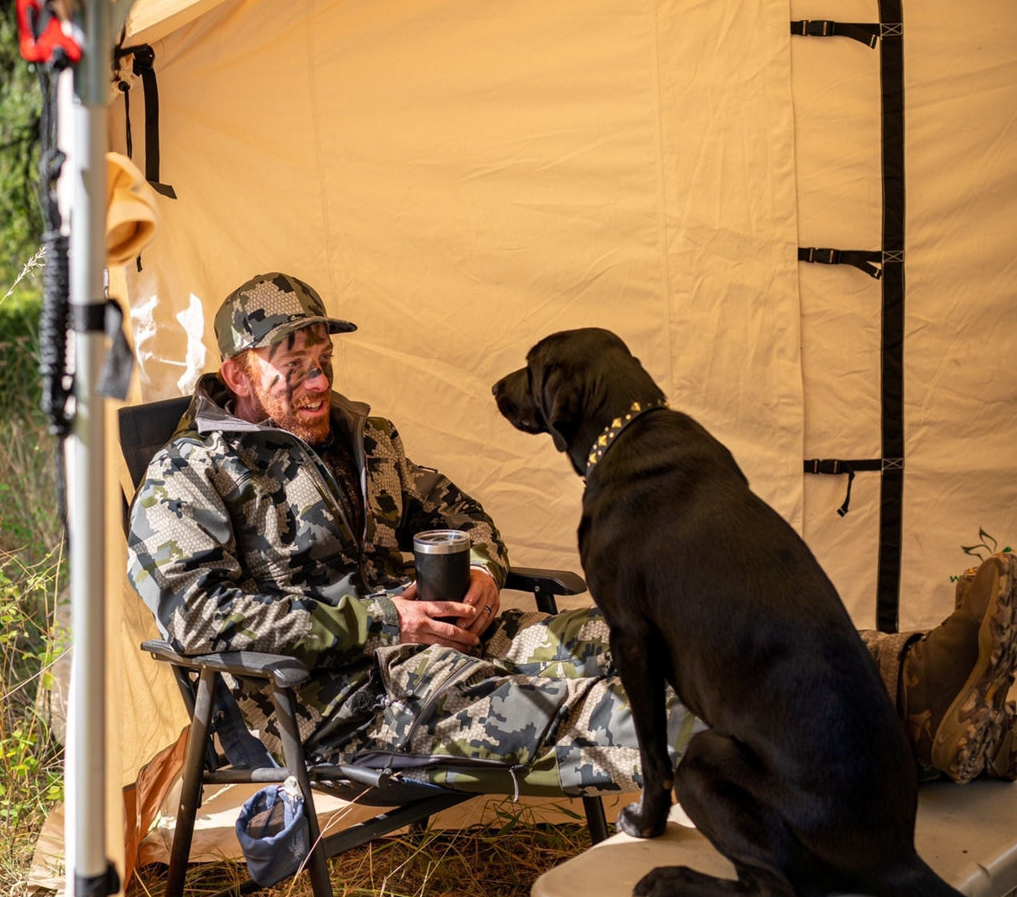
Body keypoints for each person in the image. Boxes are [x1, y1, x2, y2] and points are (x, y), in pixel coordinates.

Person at [128, 272, 1016, 796]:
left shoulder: (367, 438)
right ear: (235, 374)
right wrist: (378, 620)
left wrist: (481, 570)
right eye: (293, 368)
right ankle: (905, 741)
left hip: (473, 646)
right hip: (346, 703)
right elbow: (199, 618)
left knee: (666, 638)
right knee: (623, 708)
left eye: (324, 361)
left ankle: (918, 666)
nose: (317, 383)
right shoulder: (189, 478)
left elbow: (461, 511)